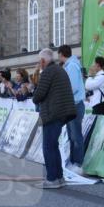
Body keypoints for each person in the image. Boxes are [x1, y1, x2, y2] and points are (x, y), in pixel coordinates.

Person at [32, 49, 76, 189]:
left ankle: (52, 178)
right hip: (61, 112)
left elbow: (38, 95)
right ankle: (59, 177)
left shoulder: (48, 72)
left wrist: (35, 92)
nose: (39, 63)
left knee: (48, 147)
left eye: (39, 61)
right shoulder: (59, 70)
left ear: (43, 61)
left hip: (52, 113)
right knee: (53, 146)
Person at [57, 45, 85, 173]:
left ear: (61, 54)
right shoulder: (69, 65)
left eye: (58, 55)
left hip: (74, 104)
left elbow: (73, 87)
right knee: (71, 135)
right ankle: (73, 162)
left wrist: (61, 95)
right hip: (71, 104)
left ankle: (78, 163)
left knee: (75, 135)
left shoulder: (72, 66)